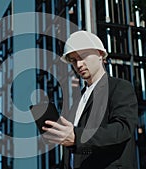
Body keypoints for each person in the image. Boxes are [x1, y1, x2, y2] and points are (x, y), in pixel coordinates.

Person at [42, 30, 138, 169]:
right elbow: (79, 152)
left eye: (82, 57)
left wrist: (77, 136)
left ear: (100, 54)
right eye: (74, 60)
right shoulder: (78, 102)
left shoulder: (119, 88)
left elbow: (122, 129)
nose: (79, 64)